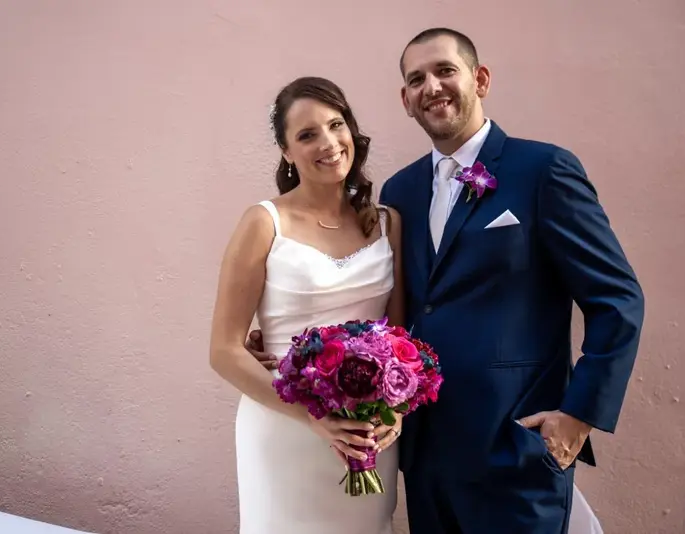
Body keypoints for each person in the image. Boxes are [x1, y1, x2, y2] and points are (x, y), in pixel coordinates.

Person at [248, 28, 642, 534]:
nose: (431, 86)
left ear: (480, 79)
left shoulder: (543, 170)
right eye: (416, 79)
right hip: (422, 454)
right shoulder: (401, 193)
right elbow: (397, 310)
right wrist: (291, 355)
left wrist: (578, 419)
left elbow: (618, 301)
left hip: (514, 450)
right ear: (406, 100)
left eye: (444, 71)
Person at [209, 77, 404, 534]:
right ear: (285, 151)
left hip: (367, 433)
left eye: (336, 125)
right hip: (285, 427)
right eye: (307, 134)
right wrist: (315, 418)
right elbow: (223, 350)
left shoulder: (387, 223)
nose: (329, 143)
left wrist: (396, 412)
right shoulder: (263, 222)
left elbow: (402, 339)